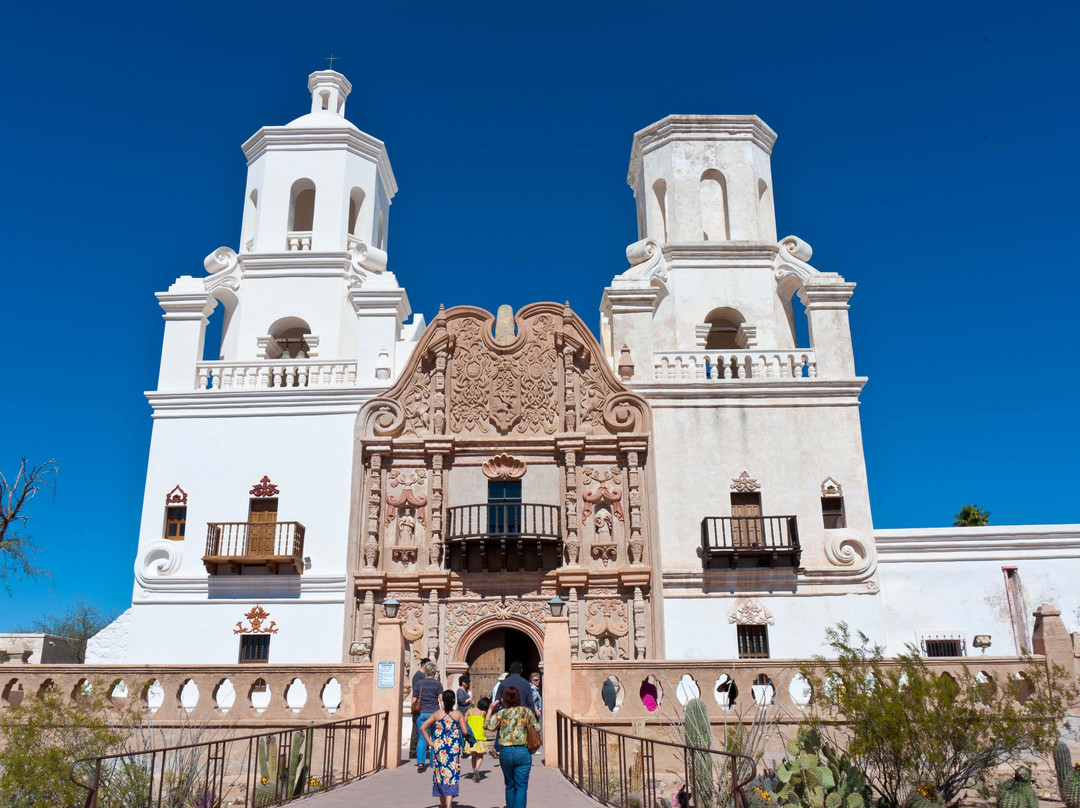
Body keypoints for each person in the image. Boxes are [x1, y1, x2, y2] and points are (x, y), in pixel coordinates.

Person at [485, 686, 541, 808]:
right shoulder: (526, 711)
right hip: (523, 751)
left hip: (505, 751)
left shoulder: (502, 713)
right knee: (521, 786)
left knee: (509, 784)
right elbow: (537, 728)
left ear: (504, 700)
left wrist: (490, 709)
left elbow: (488, 726)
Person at [420, 689, 470, 808]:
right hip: (453, 750)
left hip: (439, 750)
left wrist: (430, 743)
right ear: (454, 701)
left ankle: (443, 805)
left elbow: (423, 728)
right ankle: (449, 805)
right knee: (451, 776)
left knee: (440, 775)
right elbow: (465, 731)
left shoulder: (437, 714)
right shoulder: (458, 714)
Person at [414, 661, 444, 772]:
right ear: (434, 672)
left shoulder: (419, 684)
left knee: (422, 738)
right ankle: (434, 761)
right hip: (435, 714)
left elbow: (414, 700)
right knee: (435, 737)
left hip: (422, 714)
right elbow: (441, 700)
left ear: (425, 671)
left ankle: (421, 762)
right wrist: (444, 712)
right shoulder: (438, 684)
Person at [463, 695, 491, 782]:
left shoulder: (469, 711)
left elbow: (464, 722)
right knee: (480, 756)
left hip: (471, 738)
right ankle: (477, 770)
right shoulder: (483, 713)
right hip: (480, 737)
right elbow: (487, 723)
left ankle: (474, 769)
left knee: (473, 756)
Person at [409, 657, 431, 760]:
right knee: (417, 729)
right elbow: (416, 692)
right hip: (420, 705)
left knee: (419, 728)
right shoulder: (419, 676)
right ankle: (414, 751)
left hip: (422, 705)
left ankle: (417, 751)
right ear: (423, 665)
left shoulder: (421, 676)